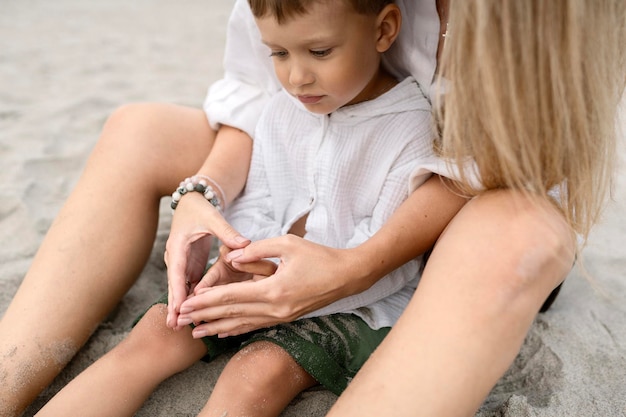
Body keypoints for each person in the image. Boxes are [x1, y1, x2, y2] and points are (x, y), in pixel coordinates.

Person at [0, 1, 448, 415]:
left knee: (254, 375)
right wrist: (235, 258)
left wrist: (281, 283)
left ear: (385, 29)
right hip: (255, 280)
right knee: (154, 336)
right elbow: (263, 197)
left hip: (352, 301)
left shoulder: (409, 129)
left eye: (319, 51)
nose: (296, 78)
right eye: (278, 53)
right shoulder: (285, 111)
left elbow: (393, 263)